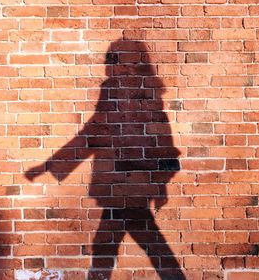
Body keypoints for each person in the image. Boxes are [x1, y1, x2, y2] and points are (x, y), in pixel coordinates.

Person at [25, 40, 186, 280]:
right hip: (126, 180)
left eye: (122, 60)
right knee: (129, 242)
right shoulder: (129, 90)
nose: (118, 66)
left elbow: (154, 136)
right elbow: (97, 130)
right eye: (115, 60)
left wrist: (50, 165)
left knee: (117, 243)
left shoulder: (129, 91)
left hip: (128, 181)